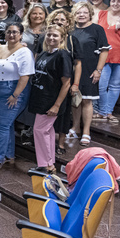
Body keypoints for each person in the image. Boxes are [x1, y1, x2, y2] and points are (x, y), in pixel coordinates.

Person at [0, 22, 35, 171]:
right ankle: (9, 156)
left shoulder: (25, 52)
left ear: (21, 35)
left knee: (1, 126)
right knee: (6, 126)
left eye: (15, 32)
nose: (11, 35)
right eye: (9, 32)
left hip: (13, 91)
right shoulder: (0, 48)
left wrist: (15, 95)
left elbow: (25, 77)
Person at [29, 25, 72, 172]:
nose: (51, 38)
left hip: (51, 101)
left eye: (55, 35)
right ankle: (48, 163)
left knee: (40, 130)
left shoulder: (63, 55)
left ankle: (47, 164)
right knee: (46, 131)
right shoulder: (43, 54)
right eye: (49, 35)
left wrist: (57, 105)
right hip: (40, 98)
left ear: (62, 38)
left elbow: (66, 83)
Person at [70, 2, 109, 147]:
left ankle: (86, 132)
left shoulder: (97, 29)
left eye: (84, 12)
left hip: (90, 70)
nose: (81, 15)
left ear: (90, 14)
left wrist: (98, 70)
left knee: (86, 100)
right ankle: (75, 127)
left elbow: (104, 51)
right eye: (78, 12)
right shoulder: (70, 29)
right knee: (75, 99)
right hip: (73, 70)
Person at [45, 10, 82, 155]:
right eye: (56, 19)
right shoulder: (46, 37)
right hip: (48, 83)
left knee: (64, 115)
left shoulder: (73, 40)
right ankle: (46, 143)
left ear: (68, 22)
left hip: (65, 83)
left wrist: (75, 84)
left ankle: (60, 144)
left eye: (62, 20)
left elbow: (78, 64)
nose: (59, 22)